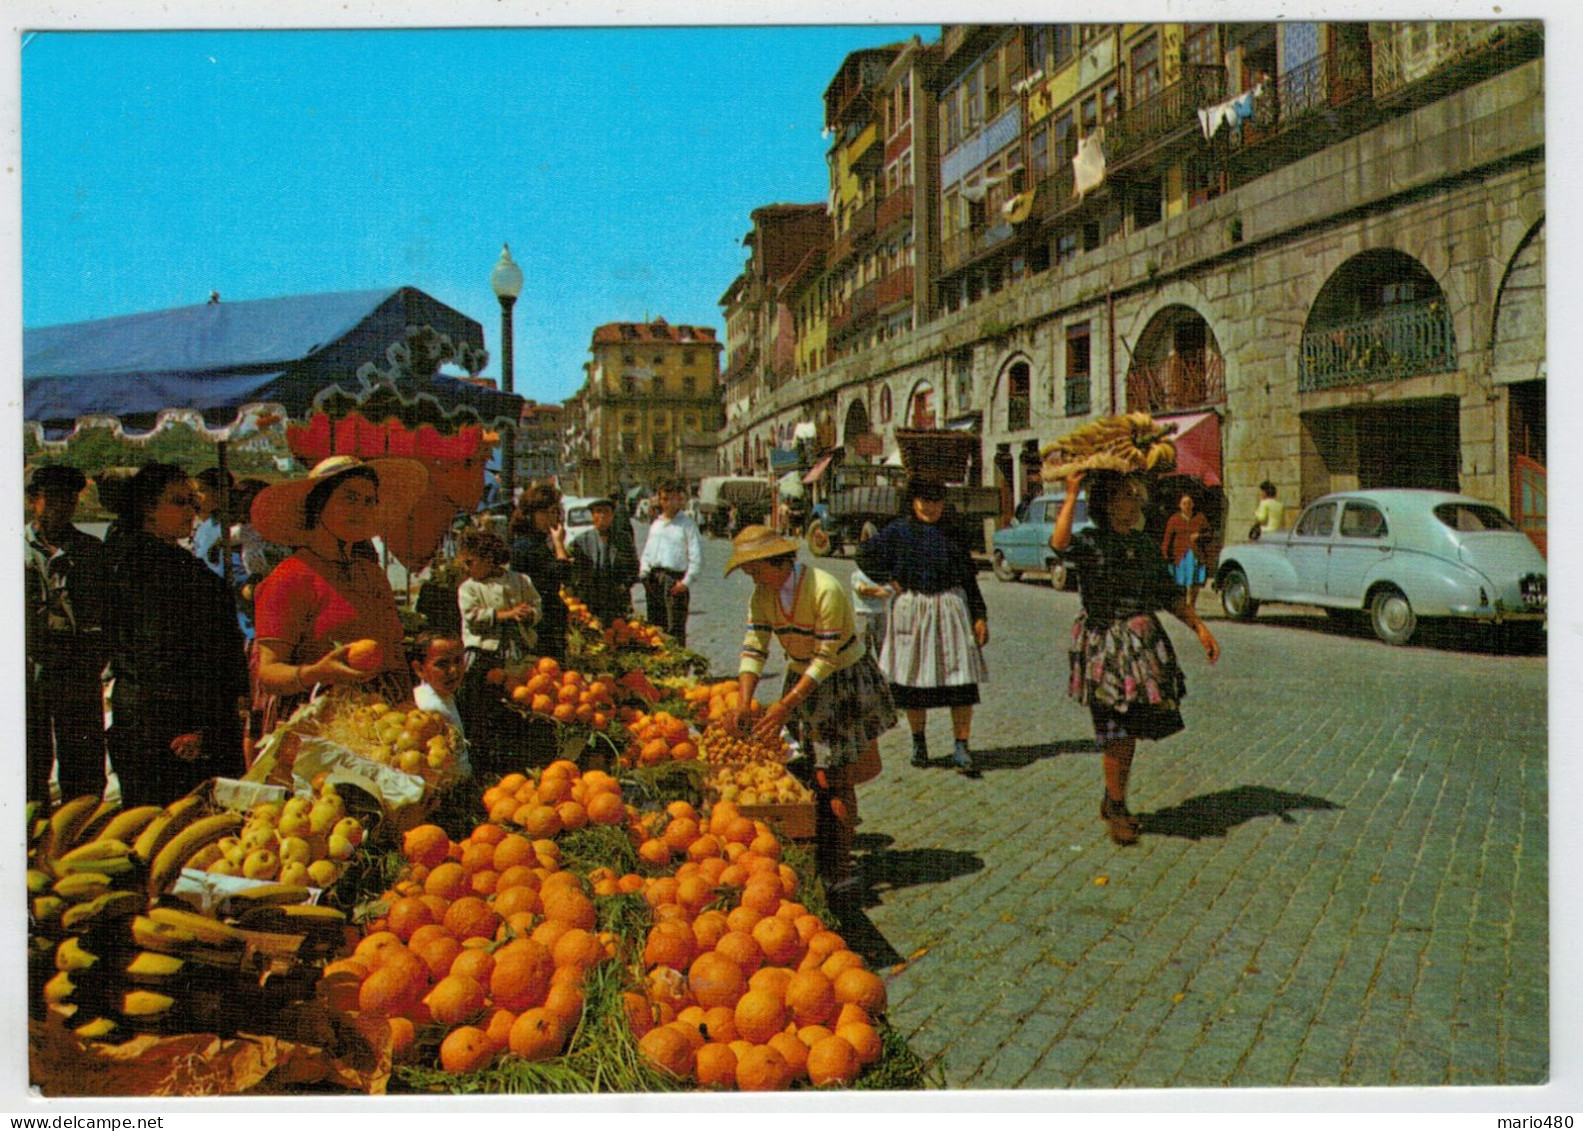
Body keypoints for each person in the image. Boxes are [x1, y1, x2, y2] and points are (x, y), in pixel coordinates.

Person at [1050, 470, 1220, 846]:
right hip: (1103, 645)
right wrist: (1072, 492)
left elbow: (1168, 593)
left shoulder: (1145, 546)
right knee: (1118, 732)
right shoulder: (1091, 541)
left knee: (1128, 732)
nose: (1134, 503)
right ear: (1108, 504)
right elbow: (1058, 544)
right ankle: (1116, 806)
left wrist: (1200, 628)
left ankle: (1113, 799)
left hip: (1140, 646)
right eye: (1126, 496)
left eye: (1134, 496)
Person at [725, 525, 896, 892]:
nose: (754, 579)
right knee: (810, 774)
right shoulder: (763, 595)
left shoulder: (824, 589)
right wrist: (743, 700)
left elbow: (825, 659)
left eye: (756, 570)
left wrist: (785, 706)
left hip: (841, 682)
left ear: (779, 562)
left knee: (836, 777)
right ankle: (822, 848)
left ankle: (839, 868)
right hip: (803, 681)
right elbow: (755, 645)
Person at [102, 463, 250, 807]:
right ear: (148, 510)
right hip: (169, 728)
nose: (191, 510)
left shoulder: (165, 561)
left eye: (192, 501)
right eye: (179, 502)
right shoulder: (142, 568)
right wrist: (195, 727)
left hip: (177, 722)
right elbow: (157, 656)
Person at [249, 455, 429, 730]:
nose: (363, 508)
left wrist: (408, 711)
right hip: (315, 722)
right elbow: (268, 673)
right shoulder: (288, 578)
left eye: (369, 501)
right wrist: (316, 672)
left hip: (380, 720)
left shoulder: (371, 574)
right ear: (318, 504)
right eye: (350, 498)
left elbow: (394, 657)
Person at [855, 477, 990, 776]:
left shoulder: (954, 532)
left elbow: (969, 579)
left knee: (961, 682)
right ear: (913, 501)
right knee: (912, 681)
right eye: (924, 501)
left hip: (951, 609)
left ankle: (961, 746)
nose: (930, 508)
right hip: (913, 611)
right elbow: (864, 554)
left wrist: (979, 615)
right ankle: (919, 742)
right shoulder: (899, 531)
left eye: (937, 501)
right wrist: (889, 579)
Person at [25, 466, 109, 808]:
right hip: (27, 674)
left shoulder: (90, 550)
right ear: (34, 501)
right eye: (53, 497)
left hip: (77, 671)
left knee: (84, 768)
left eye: (69, 499)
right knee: (28, 766)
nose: (62, 506)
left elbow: (107, 611)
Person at [509, 483, 574, 664]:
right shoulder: (526, 545)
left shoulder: (536, 542)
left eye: (554, 512)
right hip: (539, 624)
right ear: (532, 515)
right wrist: (559, 545)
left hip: (546, 620)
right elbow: (562, 575)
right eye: (545, 513)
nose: (551, 518)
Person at [638, 476, 703, 646]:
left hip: (674, 581)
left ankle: (678, 669)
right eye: (665, 499)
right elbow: (648, 552)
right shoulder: (656, 524)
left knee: (674, 629)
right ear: (659, 500)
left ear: (680, 499)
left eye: (673, 498)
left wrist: (685, 583)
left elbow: (696, 558)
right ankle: (661, 667)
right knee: (655, 628)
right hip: (654, 580)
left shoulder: (687, 525)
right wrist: (644, 573)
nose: (669, 503)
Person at [568, 496, 639, 625]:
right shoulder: (581, 540)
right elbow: (571, 567)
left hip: (617, 600)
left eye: (606, 511)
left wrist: (624, 586)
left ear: (612, 515)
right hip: (591, 600)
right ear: (592, 516)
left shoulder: (623, 539)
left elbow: (634, 567)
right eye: (598, 511)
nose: (602, 516)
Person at [1161, 491, 1211, 608]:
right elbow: (1167, 538)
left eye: (1189, 503)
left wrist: (1200, 536)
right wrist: (1165, 554)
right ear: (1180, 505)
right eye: (1184, 503)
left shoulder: (1200, 518)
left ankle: (1191, 605)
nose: (1187, 506)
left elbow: (1209, 534)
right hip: (1180, 555)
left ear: (1193, 504)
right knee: (1182, 583)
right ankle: (1184, 606)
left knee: (1195, 582)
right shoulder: (1174, 519)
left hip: (1196, 554)